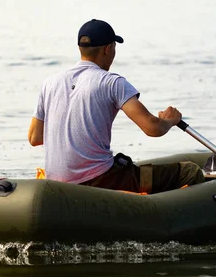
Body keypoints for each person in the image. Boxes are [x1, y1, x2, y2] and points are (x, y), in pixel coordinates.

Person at [28, 19, 204, 193]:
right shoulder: (112, 82)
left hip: (58, 182)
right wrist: (169, 120)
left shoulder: (50, 83)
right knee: (190, 171)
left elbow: (35, 138)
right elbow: (152, 128)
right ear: (108, 49)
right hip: (102, 180)